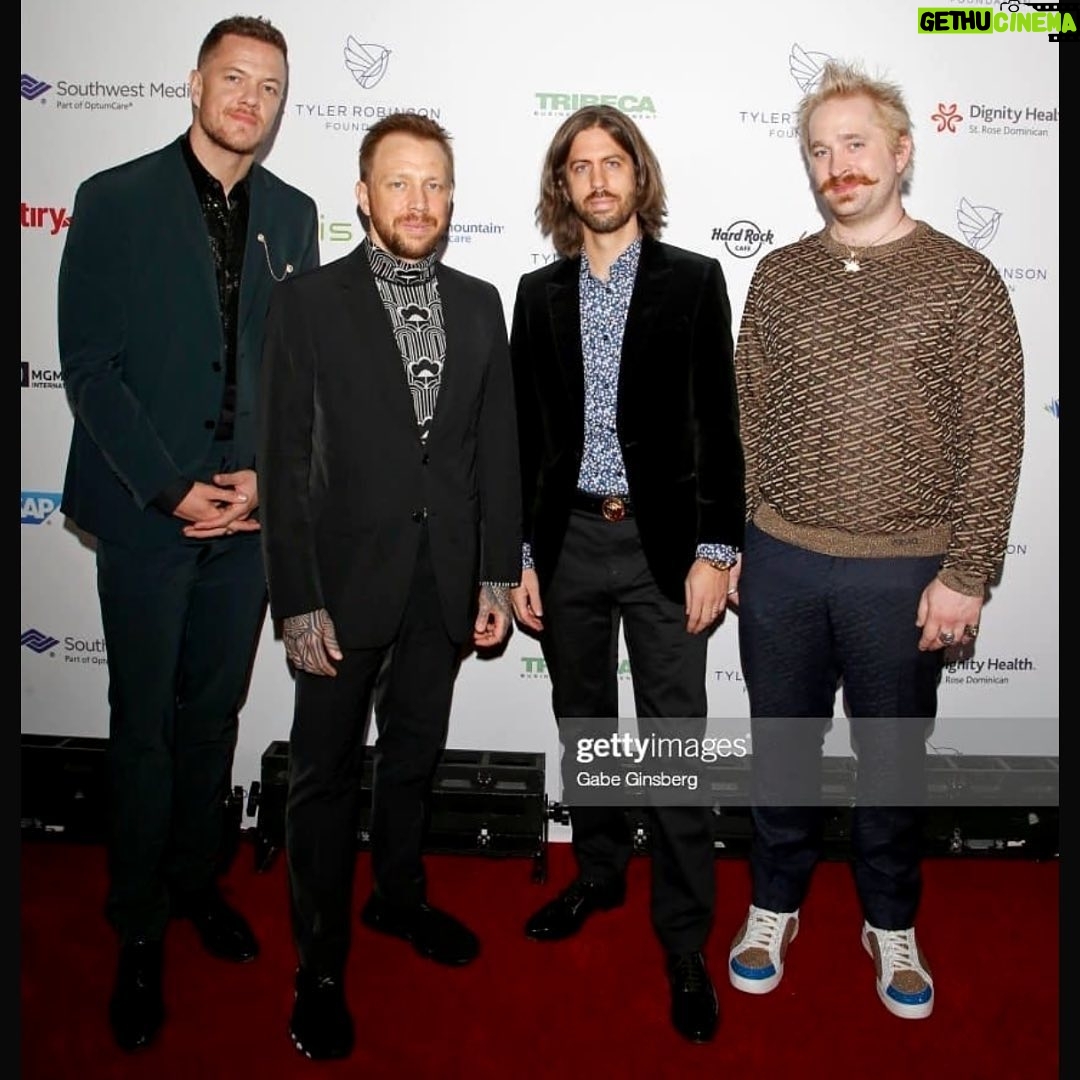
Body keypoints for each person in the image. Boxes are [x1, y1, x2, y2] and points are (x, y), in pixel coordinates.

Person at [728, 60, 1024, 1020]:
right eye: (820, 150)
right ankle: (775, 903)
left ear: (901, 152)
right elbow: (744, 419)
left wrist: (968, 572)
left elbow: (994, 434)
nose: (837, 165)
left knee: (893, 762)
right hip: (780, 562)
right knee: (781, 749)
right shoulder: (778, 276)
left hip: (904, 575)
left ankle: (889, 919)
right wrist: (736, 545)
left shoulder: (966, 280)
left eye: (855, 143)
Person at [56, 15, 318, 1053]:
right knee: (144, 725)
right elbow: (89, 369)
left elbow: (293, 370)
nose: (251, 99)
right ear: (196, 84)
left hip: (248, 520)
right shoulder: (113, 199)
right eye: (234, 78)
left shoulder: (293, 215)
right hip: (146, 512)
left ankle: (197, 879)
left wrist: (262, 478)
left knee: (214, 716)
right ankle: (137, 924)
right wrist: (170, 489)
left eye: (270, 86)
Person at [258, 112, 522, 1062]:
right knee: (324, 778)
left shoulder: (481, 303)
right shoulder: (307, 303)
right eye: (399, 183)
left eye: (434, 184)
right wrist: (297, 597)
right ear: (363, 194)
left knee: (413, 755)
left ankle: (399, 900)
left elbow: (495, 448)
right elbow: (284, 461)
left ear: (452, 197)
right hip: (339, 590)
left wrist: (497, 572)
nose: (419, 201)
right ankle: (319, 966)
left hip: (441, 581)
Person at [509, 105, 745, 1044]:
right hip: (567, 542)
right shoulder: (536, 293)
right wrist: (521, 555)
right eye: (581, 166)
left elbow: (718, 423)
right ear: (562, 186)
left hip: (663, 548)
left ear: (638, 176)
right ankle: (599, 873)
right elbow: (526, 438)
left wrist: (716, 551)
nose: (599, 179)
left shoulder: (695, 280)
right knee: (586, 727)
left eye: (614, 162)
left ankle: (684, 938)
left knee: (674, 744)